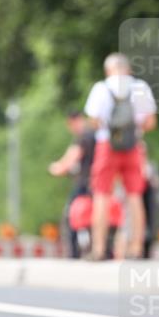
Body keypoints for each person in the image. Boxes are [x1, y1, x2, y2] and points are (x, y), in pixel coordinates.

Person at [84, 53, 157, 259]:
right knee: (134, 196)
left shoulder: (101, 88)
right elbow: (150, 122)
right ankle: (136, 248)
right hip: (133, 146)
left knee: (102, 194)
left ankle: (98, 248)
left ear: (109, 69)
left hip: (107, 145)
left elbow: (94, 120)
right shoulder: (140, 87)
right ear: (128, 69)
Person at [48, 110, 96, 257]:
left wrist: (56, 168)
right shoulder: (96, 134)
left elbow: (69, 160)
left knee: (71, 215)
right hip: (100, 185)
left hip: (85, 184)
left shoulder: (83, 137)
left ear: (73, 121)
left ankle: (73, 254)